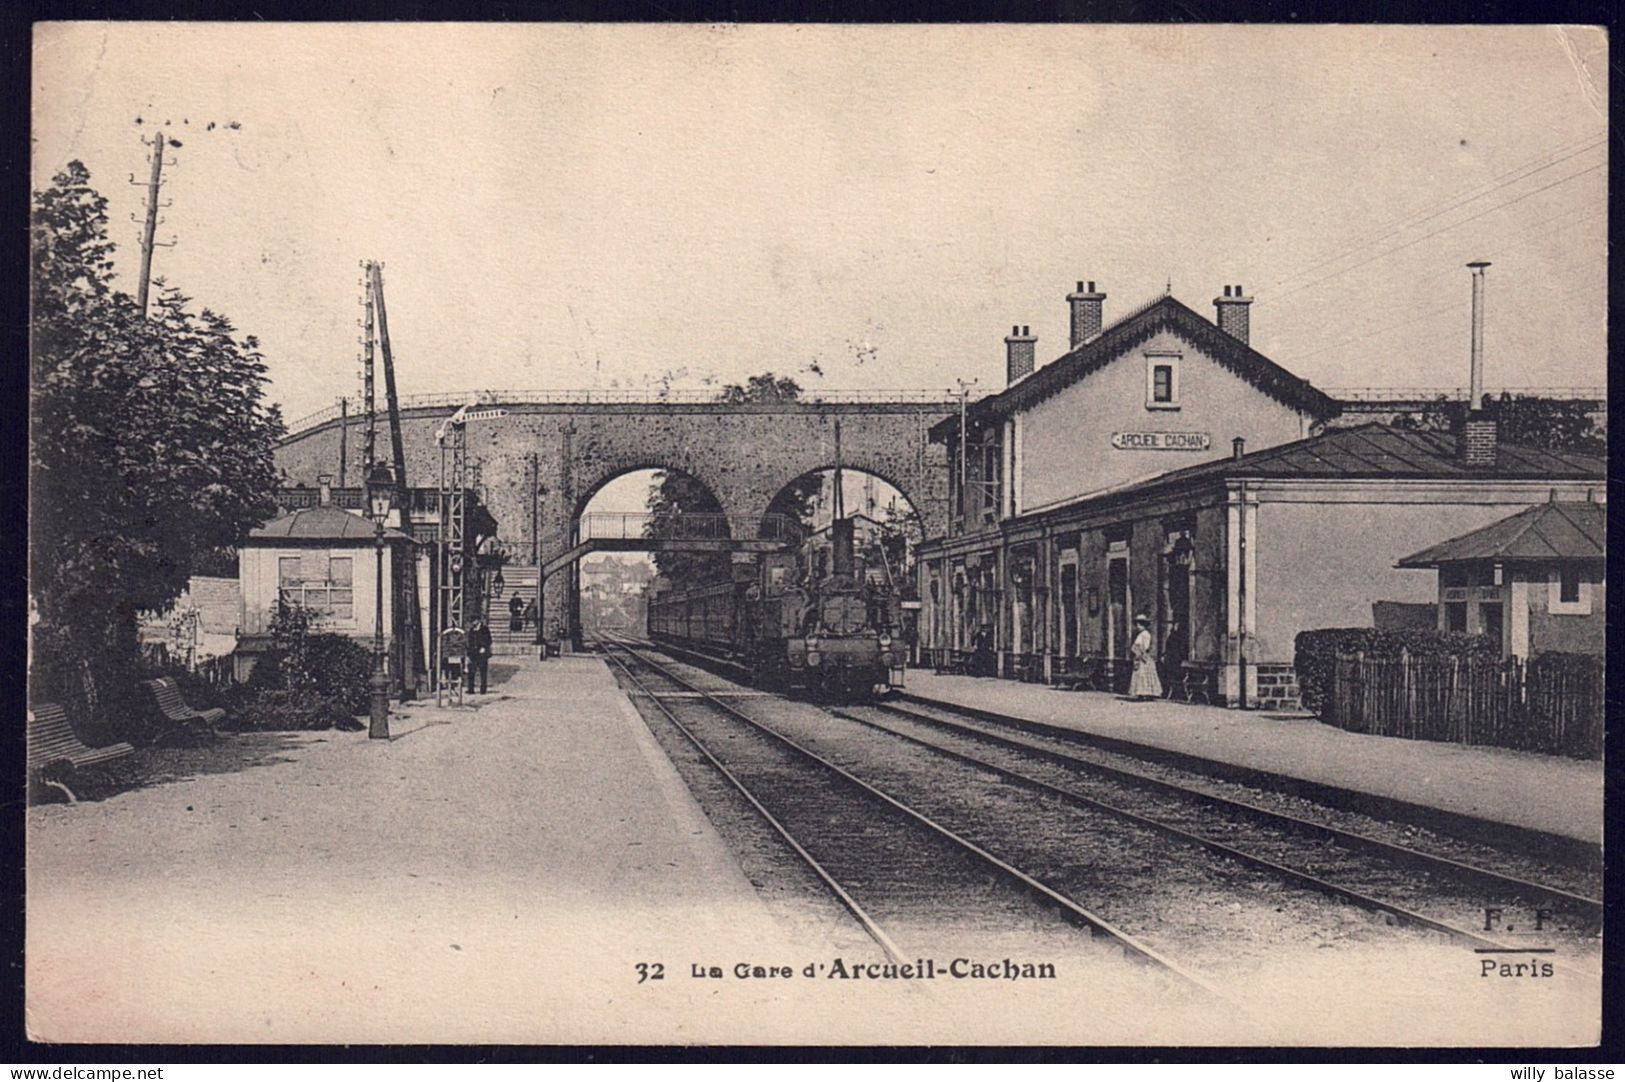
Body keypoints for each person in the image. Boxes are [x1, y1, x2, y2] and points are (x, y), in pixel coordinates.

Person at [1127, 613, 1163, 701]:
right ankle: (1142, 693)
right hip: (1140, 655)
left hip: (1143, 655)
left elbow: (1144, 646)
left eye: (1139, 624)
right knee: (1141, 675)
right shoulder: (1141, 634)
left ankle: (1145, 693)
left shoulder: (1145, 634)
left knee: (1144, 674)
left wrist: (1139, 651)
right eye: (1137, 624)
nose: (1138, 626)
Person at [466, 617, 493, 694]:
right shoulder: (472, 630)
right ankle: (471, 689)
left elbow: (489, 640)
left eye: (474, 620)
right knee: (471, 671)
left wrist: (484, 647)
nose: (473, 622)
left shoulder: (484, 629)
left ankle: (483, 689)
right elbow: (469, 641)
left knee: (483, 671)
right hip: (473, 653)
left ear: (478, 620)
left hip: (482, 653)